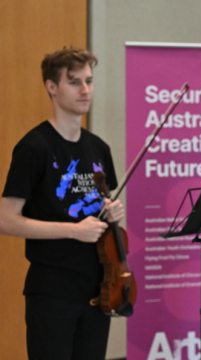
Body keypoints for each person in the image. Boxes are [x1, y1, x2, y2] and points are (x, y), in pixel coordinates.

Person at [0, 47, 124, 360]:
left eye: (89, 81)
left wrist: (114, 212)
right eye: (74, 82)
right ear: (51, 87)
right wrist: (72, 231)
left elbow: (103, 208)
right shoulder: (33, 147)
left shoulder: (99, 148)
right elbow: (6, 219)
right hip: (53, 291)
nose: (85, 90)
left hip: (99, 288)